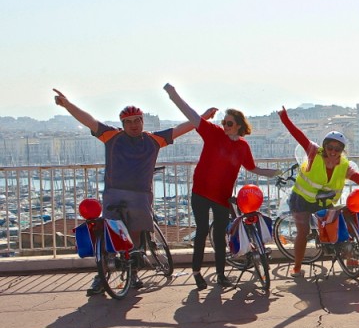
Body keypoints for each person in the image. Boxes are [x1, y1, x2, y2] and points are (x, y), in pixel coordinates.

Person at [53, 88, 212, 296]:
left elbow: (181, 129)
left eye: (137, 120)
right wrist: (67, 104)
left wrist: (203, 118)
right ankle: (102, 276)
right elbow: (89, 120)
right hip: (115, 194)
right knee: (110, 236)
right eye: (129, 122)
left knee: (135, 238)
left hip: (140, 196)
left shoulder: (154, 139)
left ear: (143, 121)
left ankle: (133, 272)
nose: (134, 125)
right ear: (122, 124)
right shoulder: (112, 136)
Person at [164, 84, 280, 290]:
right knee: (201, 232)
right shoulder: (213, 133)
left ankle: (220, 275)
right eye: (224, 122)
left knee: (219, 236)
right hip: (200, 192)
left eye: (229, 123)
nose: (225, 126)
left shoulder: (243, 146)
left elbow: (252, 168)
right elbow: (191, 115)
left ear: (238, 126)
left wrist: (277, 174)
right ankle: (197, 272)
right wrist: (173, 94)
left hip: (221, 196)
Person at [279, 107, 359, 277]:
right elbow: (298, 135)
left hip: (323, 201)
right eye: (330, 147)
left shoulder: (344, 166)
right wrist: (284, 118)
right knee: (303, 231)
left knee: (345, 218)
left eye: (338, 149)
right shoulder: (314, 153)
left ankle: (349, 255)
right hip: (302, 200)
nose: (333, 151)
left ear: (342, 150)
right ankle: (297, 267)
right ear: (324, 146)